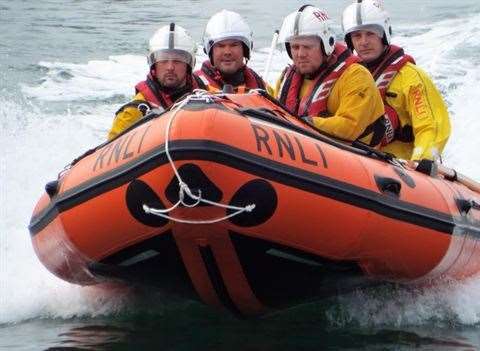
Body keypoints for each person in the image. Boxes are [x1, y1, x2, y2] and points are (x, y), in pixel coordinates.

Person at [342, 0, 451, 161]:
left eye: (370, 33)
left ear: (384, 34)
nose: (363, 42)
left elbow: (431, 127)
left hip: (401, 169)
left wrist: (422, 160)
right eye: (357, 36)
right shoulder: (348, 77)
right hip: (357, 162)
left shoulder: (411, 77)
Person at [274, 5, 386, 146]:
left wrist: (303, 123)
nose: (300, 54)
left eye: (307, 47)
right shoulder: (286, 79)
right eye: (295, 47)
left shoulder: (356, 76)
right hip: (298, 149)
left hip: (353, 158)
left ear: (326, 44)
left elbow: (350, 127)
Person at [108, 23, 206, 140]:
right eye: (163, 60)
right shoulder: (132, 113)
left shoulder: (207, 94)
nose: (170, 67)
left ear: (189, 64)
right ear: (153, 65)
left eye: (177, 60)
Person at [195, 9, 268, 93]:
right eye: (221, 46)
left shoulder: (260, 86)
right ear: (210, 51)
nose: (227, 52)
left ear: (245, 49)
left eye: (234, 45)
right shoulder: (193, 86)